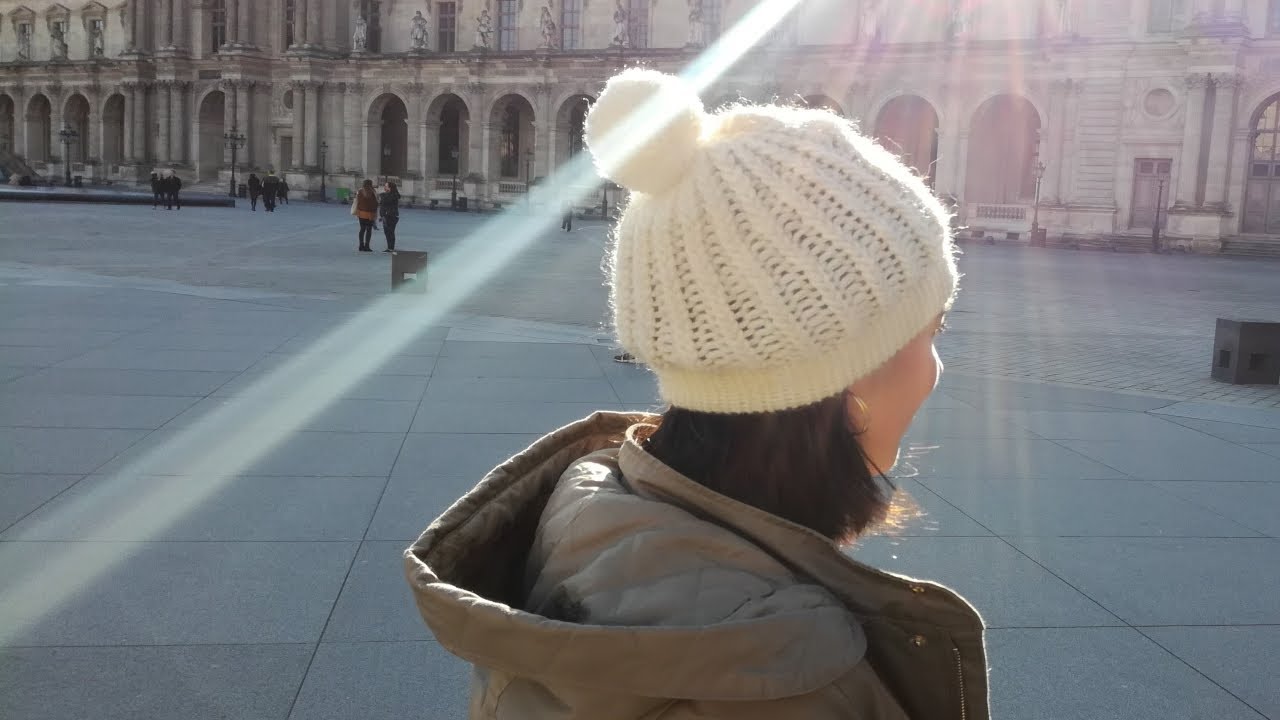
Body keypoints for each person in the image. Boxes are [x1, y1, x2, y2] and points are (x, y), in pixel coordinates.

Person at [405, 69, 988, 719]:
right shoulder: (803, 686)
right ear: (846, 382)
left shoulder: (582, 522)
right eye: (932, 331)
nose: (937, 369)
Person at [354, 179, 378, 252]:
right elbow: (375, 203)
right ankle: (367, 246)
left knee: (362, 229)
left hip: (361, 213)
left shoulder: (360, 191)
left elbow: (357, 201)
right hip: (370, 213)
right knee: (369, 230)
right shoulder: (373, 192)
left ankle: (361, 245)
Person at [379, 180, 400, 252]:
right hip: (385, 216)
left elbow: (387, 201)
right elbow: (382, 206)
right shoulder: (384, 195)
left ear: (390, 188)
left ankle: (391, 247)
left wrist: (382, 195)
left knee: (390, 231)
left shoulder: (394, 195)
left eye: (386, 186)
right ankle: (389, 247)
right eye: (384, 186)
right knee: (386, 232)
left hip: (392, 216)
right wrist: (381, 215)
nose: (384, 188)